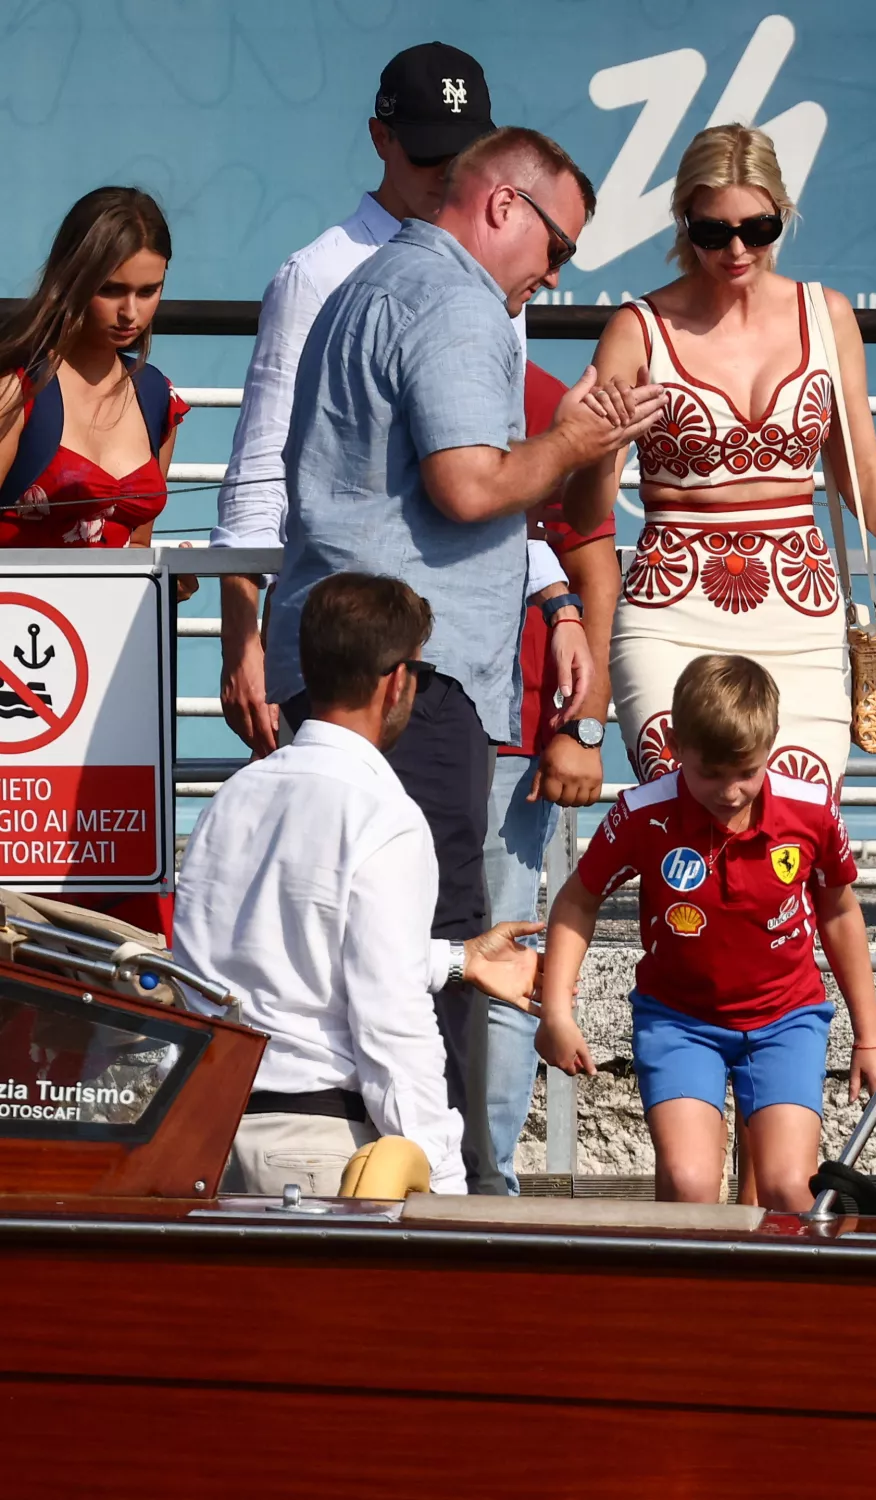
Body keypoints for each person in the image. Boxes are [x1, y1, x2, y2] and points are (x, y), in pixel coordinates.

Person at [266, 125, 667, 1193]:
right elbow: (471, 487)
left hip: (359, 653)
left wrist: (556, 592)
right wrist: (580, 442)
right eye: (560, 247)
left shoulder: (375, 279)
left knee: (352, 918)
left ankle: (362, 1169)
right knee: (427, 933)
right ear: (502, 208)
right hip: (412, 673)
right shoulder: (449, 298)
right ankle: (424, 1193)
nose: (554, 273)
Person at [563, 123, 876, 794]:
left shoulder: (827, 316)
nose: (737, 248)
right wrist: (598, 445)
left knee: (794, 834)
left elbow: (861, 475)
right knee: (687, 823)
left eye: (759, 227)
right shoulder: (637, 329)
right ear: (683, 222)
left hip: (799, 624)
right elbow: (585, 513)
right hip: (669, 621)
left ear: (784, 213)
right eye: (713, 232)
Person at [214, 40, 570, 758]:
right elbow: (262, 470)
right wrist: (240, 638)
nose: (446, 176)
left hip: (462, 652)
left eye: (464, 156)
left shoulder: (497, 272)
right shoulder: (315, 274)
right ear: (380, 139)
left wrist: (554, 599)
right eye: (427, 155)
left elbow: (491, 460)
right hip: (347, 659)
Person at [173, 571, 546, 1197]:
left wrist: (457, 961)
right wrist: (446, 1186)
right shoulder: (385, 817)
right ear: (398, 681)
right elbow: (390, 1020)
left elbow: (269, 955)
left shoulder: (233, 797)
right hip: (321, 1147)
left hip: (206, 1130)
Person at [536, 654, 876, 1211]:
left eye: (746, 772)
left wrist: (871, 1035)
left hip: (786, 1019)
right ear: (677, 745)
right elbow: (577, 900)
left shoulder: (810, 811)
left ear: (771, 745)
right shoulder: (644, 814)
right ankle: (678, 1296)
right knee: (690, 1184)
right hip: (680, 1021)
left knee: (788, 1190)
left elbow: (837, 911)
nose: (730, 791)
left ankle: (774, 1298)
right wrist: (557, 1012)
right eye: (710, 773)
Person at [0, 185, 192, 939]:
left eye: (148, 290)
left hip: (114, 695)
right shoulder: (19, 387)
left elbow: (138, 545)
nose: (130, 312)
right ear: (72, 278)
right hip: (20, 698)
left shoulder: (156, 401)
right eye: (111, 288)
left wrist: (154, 592)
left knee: (117, 917)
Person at [485, 358, 620, 1194]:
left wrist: (582, 723)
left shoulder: (542, 392)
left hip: (515, 738)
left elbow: (589, 561)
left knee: (502, 967)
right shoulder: (380, 363)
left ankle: (486, 1182)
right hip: (382, 725)